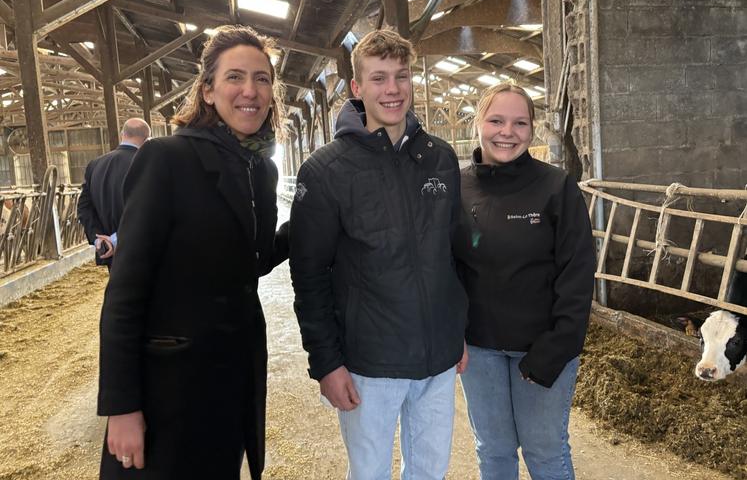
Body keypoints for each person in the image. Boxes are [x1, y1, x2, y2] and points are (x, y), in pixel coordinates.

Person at [97, 25, 288, 480]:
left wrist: (316, 219)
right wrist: (122, 406)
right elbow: (125, 289)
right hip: (171, 387)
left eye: (262, 79)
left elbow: (253, 262)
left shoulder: (259, 170)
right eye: (235, 78)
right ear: (207, 91)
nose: (250, 91)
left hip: (230, 380)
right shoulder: (167, 159)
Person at [289, 29, 468, 480]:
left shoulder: (440, 158)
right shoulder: (327, 170)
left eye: (401, 77)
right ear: (356, 88)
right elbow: (308, 275)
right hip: (370, 361)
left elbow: (453, 252)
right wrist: (326, 362)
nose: (392, 89)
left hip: (436, 359)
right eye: (379, 78)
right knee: (368, 472)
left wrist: (457, 329)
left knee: (430, 471)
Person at [453, 82, 595, 480]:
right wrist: (453, 333)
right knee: (493, 452)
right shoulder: (457, 187)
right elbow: (448, 267)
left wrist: (555, 349)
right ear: (478, 123)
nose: (507, 132)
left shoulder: (556, 186)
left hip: (542, 346)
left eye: (519, 122)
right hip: (479, 350)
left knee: (544, 451)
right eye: (496, 120)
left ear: (532, 129)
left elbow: (578, 274)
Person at [77, 118, 150, 266]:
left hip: (109, 252)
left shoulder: (95, 165)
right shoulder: (147, 163)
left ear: (122, 134)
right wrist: (116, 240)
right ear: (147, 139)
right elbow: (148, 209)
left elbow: (84, 208)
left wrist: (100, 239)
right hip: (143, 251)